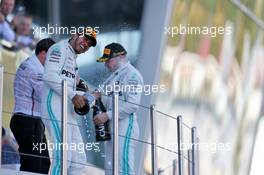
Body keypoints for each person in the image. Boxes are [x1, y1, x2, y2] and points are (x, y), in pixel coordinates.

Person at [41, 29, 97, 175]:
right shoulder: (59, 48)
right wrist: (73, 95)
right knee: (64, 155)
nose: (86, 44)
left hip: (67, 113)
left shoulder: (73, 59)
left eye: (89, 44)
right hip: (53, 107)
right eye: (85, 39)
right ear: (76, 35)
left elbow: (73, 91)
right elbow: (49, 76)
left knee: (79, 159)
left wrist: (88, 98)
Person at [94, 43, 143, 175]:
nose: (105, 65)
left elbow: (133, 105)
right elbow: (97, 94)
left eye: (108, 60)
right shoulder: (113, 76)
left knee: (123, 169)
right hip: (111, 128)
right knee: (110, 169)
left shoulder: (132, 75)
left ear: (121, 56)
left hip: (125, 127)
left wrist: (107, 115)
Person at [10, 38, 55, 174]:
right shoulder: (35, 69)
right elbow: (45, 95)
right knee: (33, 167)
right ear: (43, 54)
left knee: (43, 165)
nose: (55, 61)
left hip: (32, 121)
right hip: (27, 122)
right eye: (53, 57)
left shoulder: (34, 64)